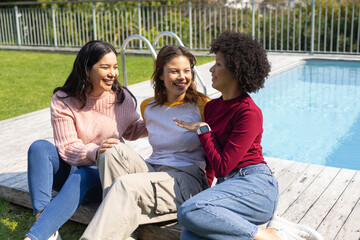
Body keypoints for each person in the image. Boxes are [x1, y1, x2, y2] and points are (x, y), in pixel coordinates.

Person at [174, 31, 324, 240]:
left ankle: (271, 236)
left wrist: (203, 130)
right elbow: (211, 162)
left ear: (235, 71)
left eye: (218, 63)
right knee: (190, 233)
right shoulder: (212, 108)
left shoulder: (249, 113)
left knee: (187, 211)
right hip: (228, 188)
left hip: (256, 187)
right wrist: (205, 193)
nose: (211, 69)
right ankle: (273, 231)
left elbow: (224, 165)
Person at [80, 45, 210, 240]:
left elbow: (216, 147)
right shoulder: (148, 106)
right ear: (160, 75)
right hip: (154, 170)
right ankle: (121, 231)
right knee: (111, 149)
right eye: (174, 71)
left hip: (186, 178)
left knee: (125, 185)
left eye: (186, 71)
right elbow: (132, 129)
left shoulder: (203, 105)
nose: (182, 76)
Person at [24, 40, 147, 240]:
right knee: (39, 148)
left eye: (115, 67)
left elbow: (132, 130)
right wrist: (95, 151)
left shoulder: (120, 97)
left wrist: (157, 119)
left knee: (84, 174)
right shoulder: (64, 99)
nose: (113, 73)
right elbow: (68, 147)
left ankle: (34, 237)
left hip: (104, 176)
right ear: (87, 70)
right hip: (73, 166)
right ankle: (46, 225)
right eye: (105, 67)